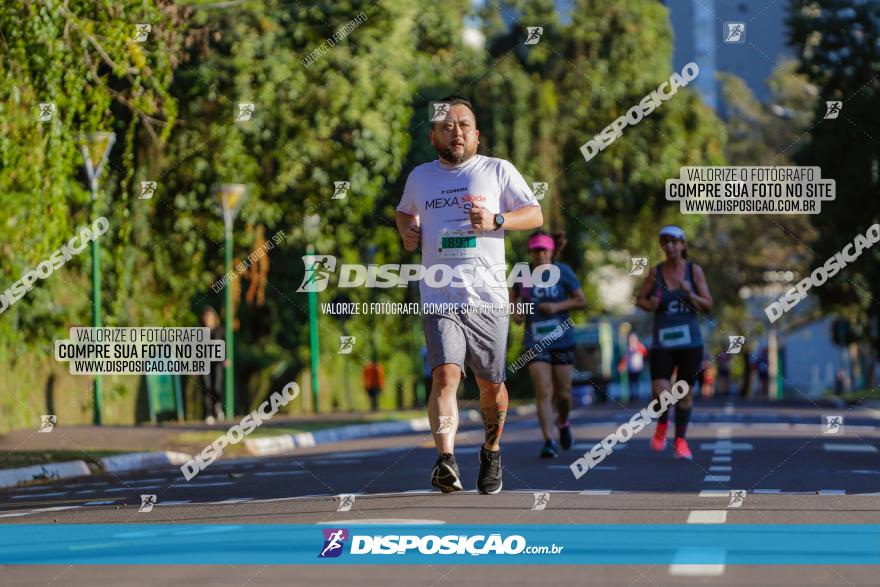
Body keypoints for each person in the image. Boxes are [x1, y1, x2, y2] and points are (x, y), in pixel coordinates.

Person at [396, 94, 543, 494]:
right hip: (439, 296)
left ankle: (491, 450)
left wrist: (498, 219)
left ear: (477, 135)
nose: (455, 132)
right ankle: (445, 459)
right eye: (447, 126)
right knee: (445, 376)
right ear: (433, 135)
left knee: (490, 387)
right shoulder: (421, 177)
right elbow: (404, 211)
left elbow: (534, 213)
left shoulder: (497, 170)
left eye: (463, 126)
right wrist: (407, 231)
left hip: (489, 299)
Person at [636, 225, 713, 460]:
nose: (669, 246)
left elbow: (708, 306)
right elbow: (640, 299)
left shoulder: (694, 271)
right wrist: (652, 304)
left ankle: (680, 440)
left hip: (690, 343)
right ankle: (662, 424)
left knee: (684, 394)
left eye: (673, 241)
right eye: (664, 242)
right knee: (661, 391)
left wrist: (689, 293)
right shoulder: (656, 273)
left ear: (682, 244)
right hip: (663, 342)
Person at [510, 230, 586, 458]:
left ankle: (563, 422)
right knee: (543, 390)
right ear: (530, 252)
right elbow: (513, 298)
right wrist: (517, 313)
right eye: (535, 250)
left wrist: (557, 307)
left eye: (544, 250)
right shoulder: (523, 274)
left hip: (562, 339)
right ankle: (549, 441)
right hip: (535, 341)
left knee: (564, 394)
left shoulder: (563, 272)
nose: (539, 254)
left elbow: (581, 300)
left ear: (552, 251)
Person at [199, 306, 225, 424]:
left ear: (214, 318)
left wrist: (226, 358)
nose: (207, 319)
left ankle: (217, 406)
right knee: (206, 388)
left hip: (217, 363)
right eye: (206, 317)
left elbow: (225, 345)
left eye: (209, 317)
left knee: (216, 388)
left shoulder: (220, 330)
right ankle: (208, 413)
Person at [618, 332, 648, 401]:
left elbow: (645, 352)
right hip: (630, 368)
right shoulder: (628, 348)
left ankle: (638, 396)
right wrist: (622, 365)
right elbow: (625, 358)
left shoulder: (639, 346)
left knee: (637, 382)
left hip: (638, 368)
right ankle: (632, 396)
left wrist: (637, 348)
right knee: (631, 383)